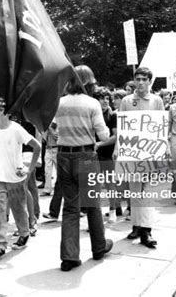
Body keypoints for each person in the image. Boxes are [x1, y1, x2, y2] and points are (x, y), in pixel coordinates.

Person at [55, 65, 113, 272]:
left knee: (70, 208)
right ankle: (99, 247)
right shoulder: (92, 103)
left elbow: (52, 129)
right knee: (92, 204)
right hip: (86, 156)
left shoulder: (59, 102)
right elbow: (104, 135)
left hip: (63, 156)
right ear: (89, 81)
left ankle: (69, 257)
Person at [0, 98, 41, 263]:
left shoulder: (16, 129)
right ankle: (0, 246)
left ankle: (24, 233)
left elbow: (37, 146)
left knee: (18, 209)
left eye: (0, 110)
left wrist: (29, 169)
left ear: (8, 112)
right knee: (0, 210)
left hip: (16, 178)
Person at [119, 66, 164, 249]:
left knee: (148, 191)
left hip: (150, 150)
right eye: (138, 79)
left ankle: (147, 230)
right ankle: (136, 226)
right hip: (132, 150)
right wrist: (118, 149)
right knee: (135, 190)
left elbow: (162, 126)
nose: (140, 82)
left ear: (150, 81)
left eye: (144, 79)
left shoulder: (157, 101)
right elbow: (121, 127)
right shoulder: (127, 101)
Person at [92, 86, 121, 224]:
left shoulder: (112, 115)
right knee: (94, 185)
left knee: (110, 184)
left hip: (107, 154)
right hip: (92, 155)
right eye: (102, 98)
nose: (105, 101)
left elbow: (116, 137)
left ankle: (113, 210)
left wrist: (99, 144)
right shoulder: (92, 113)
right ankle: (95, 216)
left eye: (107, 98)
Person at [40, 120, 58, 197]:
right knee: (47, 171)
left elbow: (57, 136)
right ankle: (47, 189)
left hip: (56, 148)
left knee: (59, 171)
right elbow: (43, 139)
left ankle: (61, 189)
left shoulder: (56, 125)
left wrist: (50, 128)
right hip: (48, 149)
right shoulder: (46, 127)